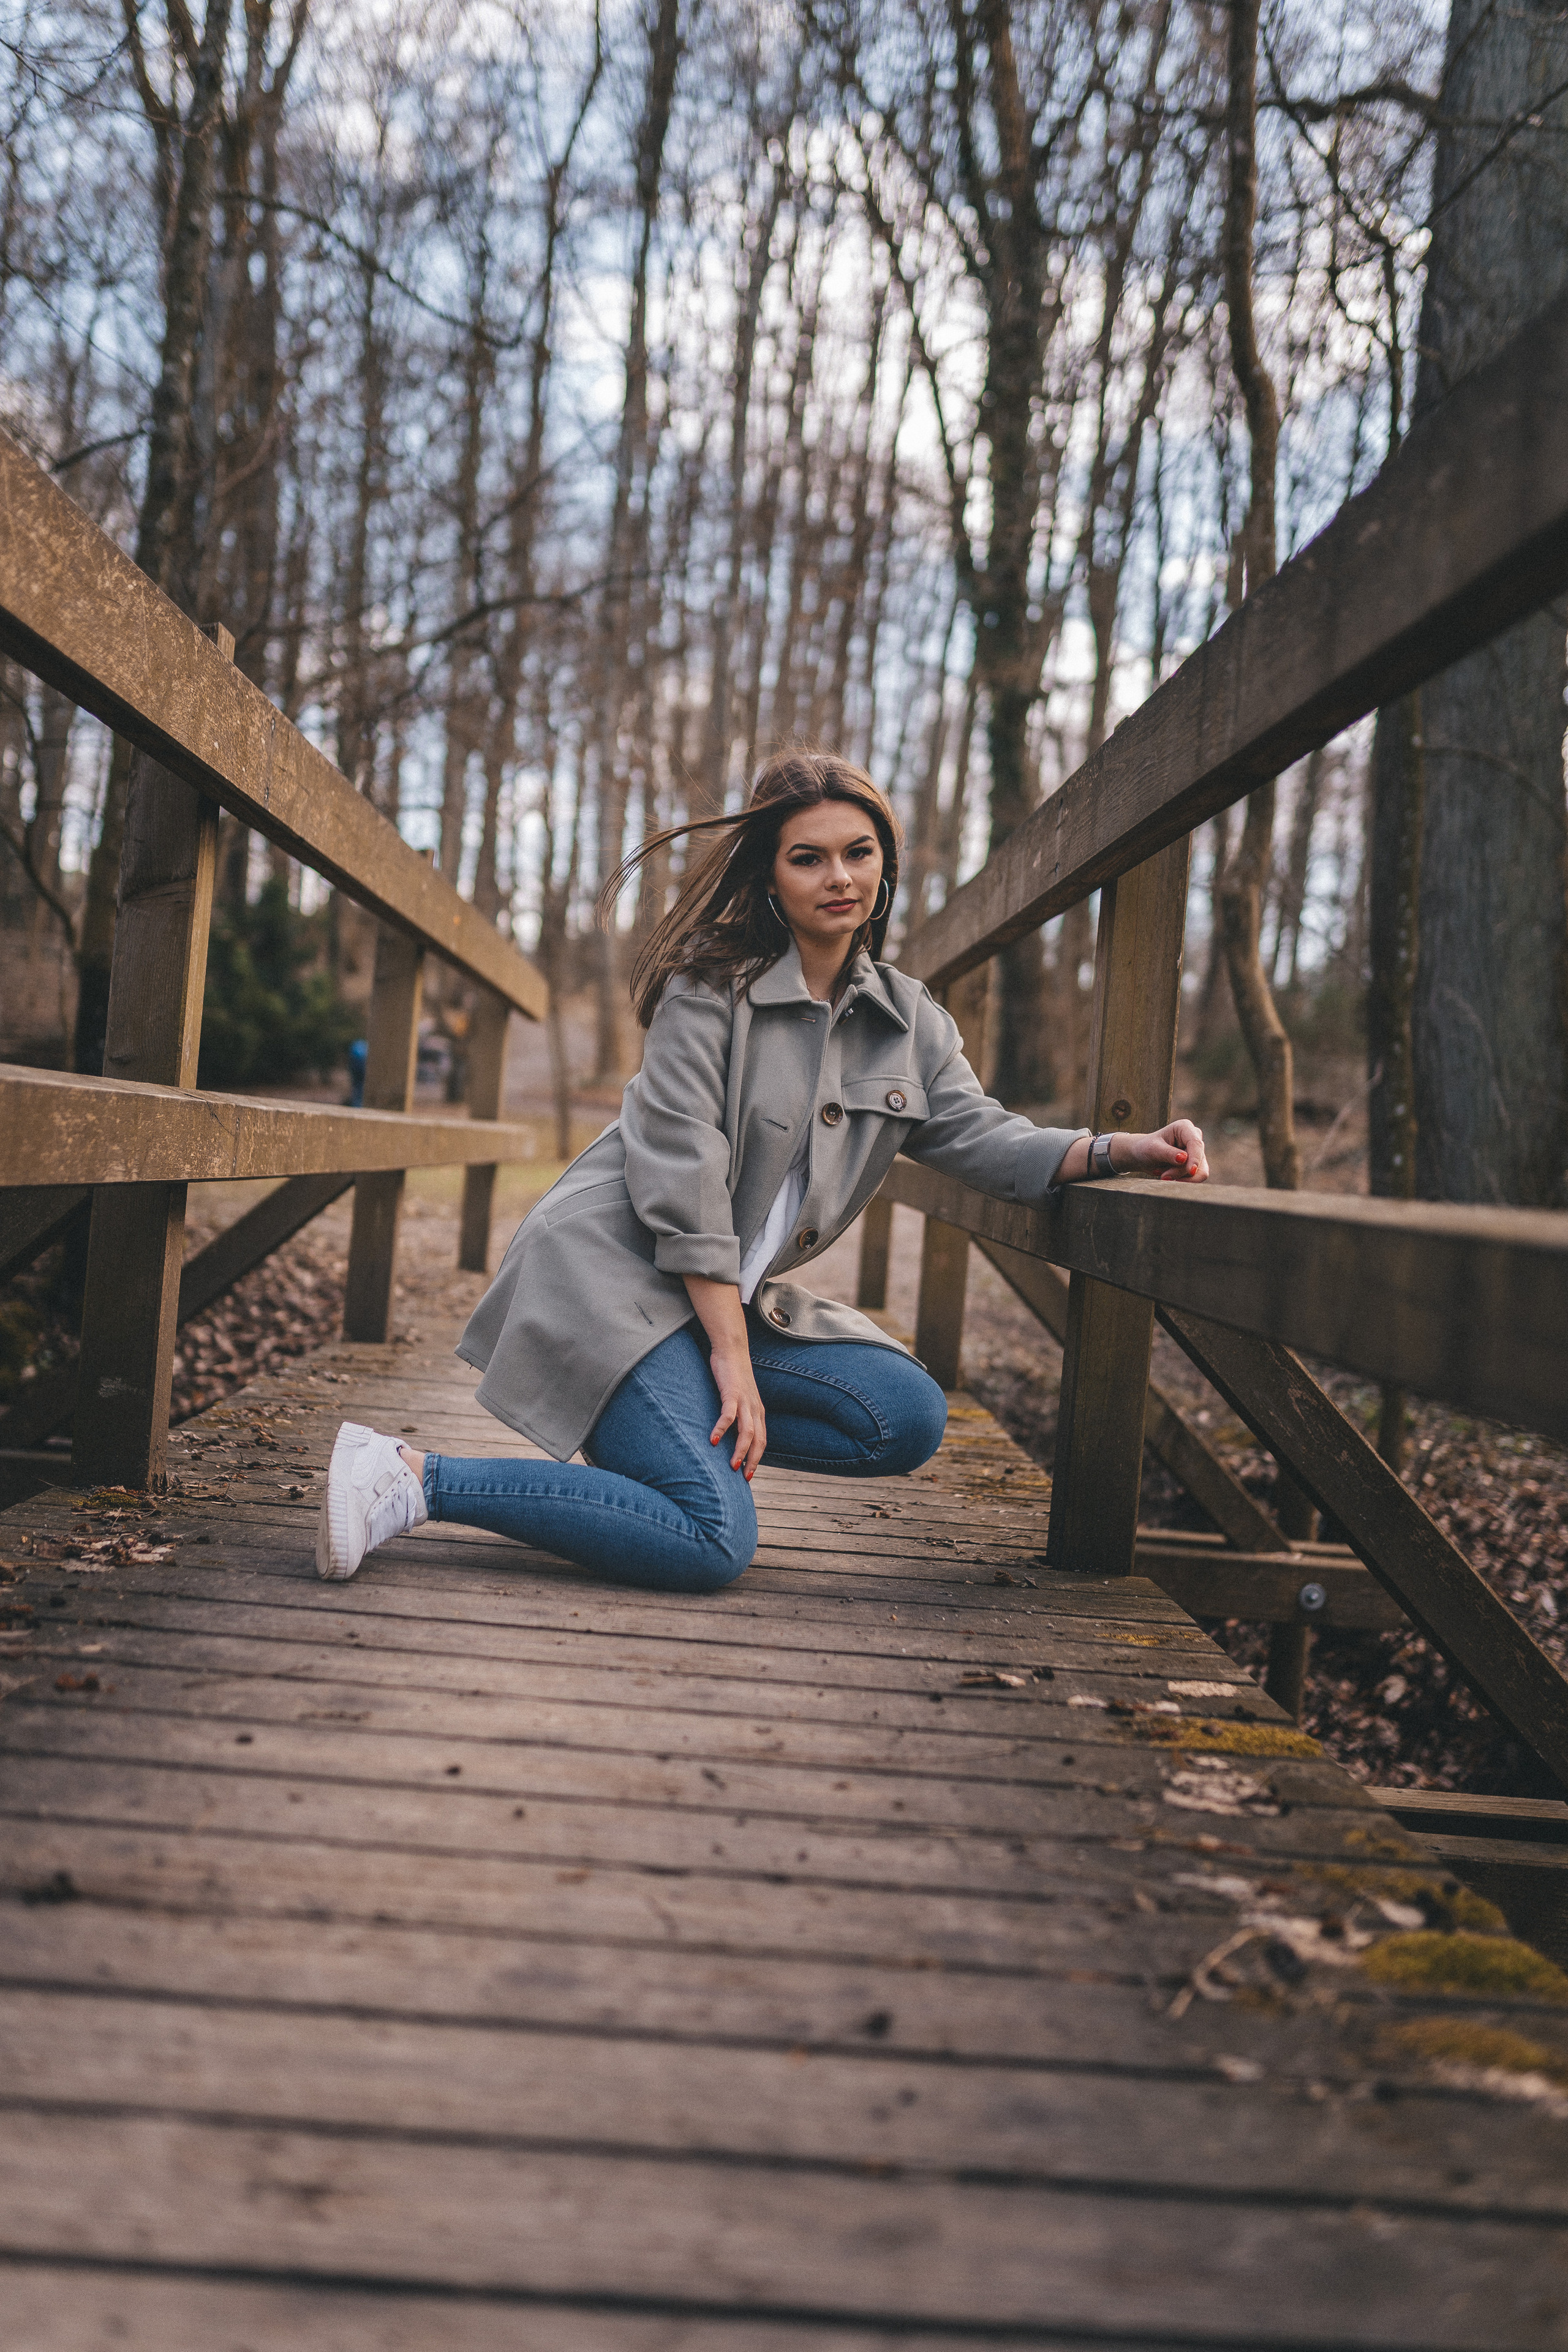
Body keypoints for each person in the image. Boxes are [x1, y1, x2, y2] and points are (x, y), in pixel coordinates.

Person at [316, 749, 1207, 1590]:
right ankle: (409, 1475)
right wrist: (731, 1361)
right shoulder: (706, 991)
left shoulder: (909, 1023)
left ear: (885, 864)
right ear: (770, 878)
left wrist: (1115, 1149)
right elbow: (684, 1184)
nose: (840, 878)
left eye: (859, 853)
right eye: (809, 858)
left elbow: (976, 1133)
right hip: (614, 1278)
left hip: (716, 1305)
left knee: (906, 1411)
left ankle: (662, 1435)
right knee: (711, 1537)